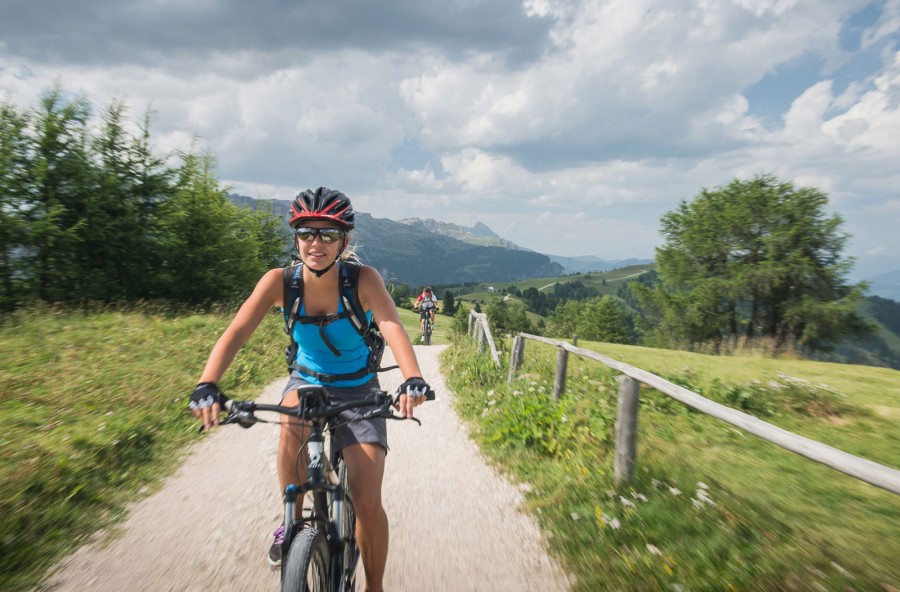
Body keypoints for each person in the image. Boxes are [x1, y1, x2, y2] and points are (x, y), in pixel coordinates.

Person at [188, 187, 431, 592]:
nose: (315, 242)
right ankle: (291, 522)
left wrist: (412, 378)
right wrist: (206, 383)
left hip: (358, 388)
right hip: (307, 380)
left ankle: (375, 587)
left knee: (368, 502)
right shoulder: (279, 283)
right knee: (291, 430)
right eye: (306, 232)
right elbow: (236, 332)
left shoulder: (363, 280)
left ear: (344, 242)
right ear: (296, 237)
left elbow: (392, 325)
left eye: (328, 234)